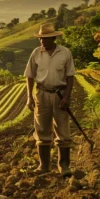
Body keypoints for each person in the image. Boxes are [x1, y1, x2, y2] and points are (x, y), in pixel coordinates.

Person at [24, 23, 76, 177]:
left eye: (45, 39)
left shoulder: (65, 53)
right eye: (40, 39)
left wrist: (67, 96)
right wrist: (29, 97)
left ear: (53, 38)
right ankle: (44, 165)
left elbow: (70, 76)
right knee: (42, 130)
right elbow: (29, 76)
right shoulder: (36, 53)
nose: (42, 41)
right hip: (42, 94)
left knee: (63, 130)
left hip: (60, 94)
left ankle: (64, 166)